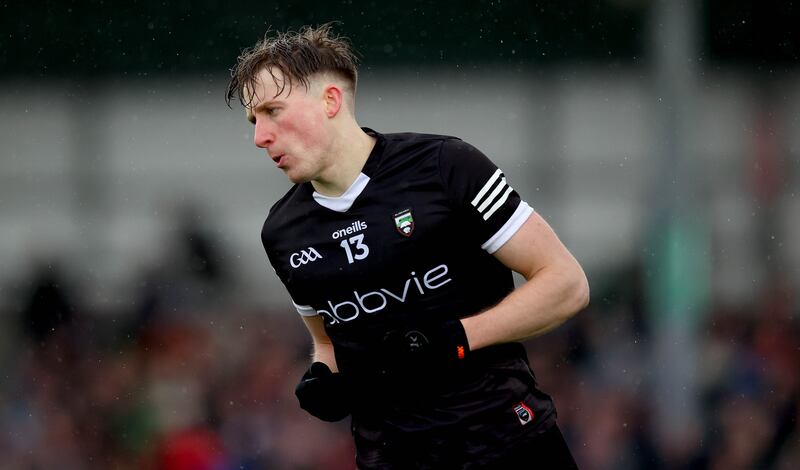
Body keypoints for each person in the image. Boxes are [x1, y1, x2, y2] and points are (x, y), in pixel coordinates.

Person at [226, 23, 589, 469]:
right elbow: (328, 340)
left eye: (272, 111)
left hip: (507, 445)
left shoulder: (445, 166)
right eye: (253, 120)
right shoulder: (282, 232)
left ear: (331, 101)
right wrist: (323, 375)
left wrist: (456, 340)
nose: (259, 137)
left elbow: (567, 284)